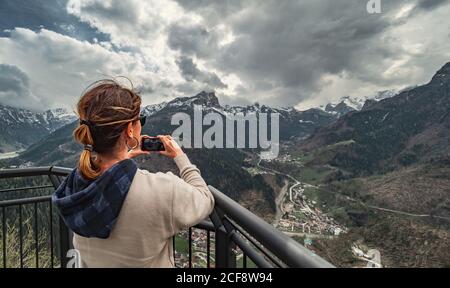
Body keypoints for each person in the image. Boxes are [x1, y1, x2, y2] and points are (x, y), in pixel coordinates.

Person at [52, 80, 214, 268]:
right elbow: (204, 198)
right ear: (130, 129)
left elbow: (108, 178)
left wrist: (124, 157)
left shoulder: (75, 185)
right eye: (141, 120)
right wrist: (180, 156)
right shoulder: (163, 190)